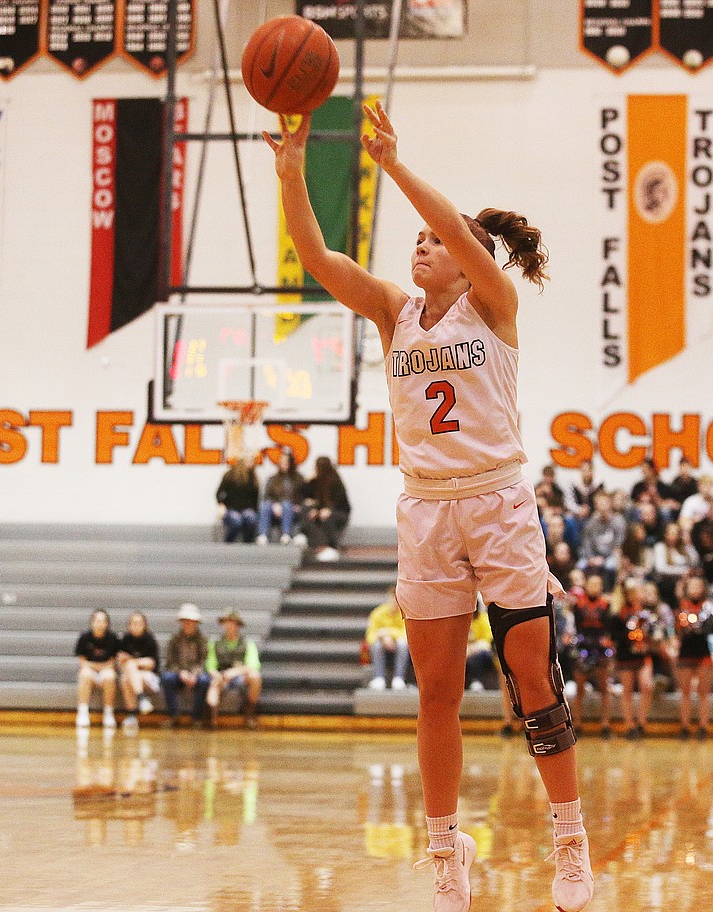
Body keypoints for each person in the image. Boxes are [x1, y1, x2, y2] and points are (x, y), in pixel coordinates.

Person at [265, 101, 593, 910]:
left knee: (530, 676)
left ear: (469, 258)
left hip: (498, 503)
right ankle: (447, 855)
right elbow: (314, 256)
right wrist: (291, 170)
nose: (419, 244)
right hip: (427, 511)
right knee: (435, 690)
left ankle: (571, 841)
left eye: (434, 240)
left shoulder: (493, 304)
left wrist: (396, 167)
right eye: (414, 239)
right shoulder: (391, 311)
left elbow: (450, 223)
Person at [605, 578, 657, 739]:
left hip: (643, 655)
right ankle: (630, 725)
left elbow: (653, 631)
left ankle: (641, 722)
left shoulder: (644, 611)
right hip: (625, 656)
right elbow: (614, 636)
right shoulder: (616, 614)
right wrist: (629, 637)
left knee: (647, 686)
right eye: (634, 591)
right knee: (627, 690)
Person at [671, 574, 713, 739]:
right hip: (685, 652)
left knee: (703, 692)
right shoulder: (681, 607)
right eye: (691, 586)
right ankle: (684, 727)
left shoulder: (709, 607)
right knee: (685, 692)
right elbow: (677, 630)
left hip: (703, 651)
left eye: (698, 586)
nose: (695, 590)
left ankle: (703, 727)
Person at [570, 574, 614, 737]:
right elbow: (576, 626)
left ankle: (605, 723)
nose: (594, 587)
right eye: (591, 584)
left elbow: (608, 627)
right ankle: (577, 722)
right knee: (579, 686)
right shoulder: (578, 605)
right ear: (586, 586)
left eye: (598, 584)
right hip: (583, 645)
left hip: (600, 646)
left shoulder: (606, 605)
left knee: (604, 686)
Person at [204, 610, 262, 728]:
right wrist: (217, 676)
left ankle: (250, 713)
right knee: (212, 689)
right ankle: (212, 719)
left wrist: (234, 672)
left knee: (255, 677)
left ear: (238, 625)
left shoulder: (248, 643)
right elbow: (210, 665)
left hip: (240, 677)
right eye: (227, 622)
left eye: (232, 622)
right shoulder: (214, 643)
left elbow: (253, 666)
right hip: (221, 676)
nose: (229, 625)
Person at [161, 602, 212, 728]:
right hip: (179, 673)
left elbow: (204, 660)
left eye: (190, 621)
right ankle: (174, 715)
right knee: (166, 678)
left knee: (205, 681)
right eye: (185, 621)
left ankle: (196, 717)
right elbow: (170, 660)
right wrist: (180, 672)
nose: (188, 624)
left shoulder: (203, 640)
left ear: (196, 623)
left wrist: (194, 674)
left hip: (197, 674)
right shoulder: (174, 639)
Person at [74, 609, 121, 729]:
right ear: (92, 622)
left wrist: (95, 665)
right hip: (91, 672)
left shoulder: (113, 638)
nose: (100, 623)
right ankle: (83, 713)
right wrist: (97, 666)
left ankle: (108, 714)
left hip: (105, 672)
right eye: (97, 620)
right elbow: (82, 662)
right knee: (84, 674)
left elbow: (113, 663)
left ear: (107, 624)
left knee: (110, 676)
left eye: (103, 621)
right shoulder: (84, 637)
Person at [299, 455, 352, 561]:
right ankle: (320, 545)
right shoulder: (316, 481)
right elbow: (302, 494)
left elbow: (341, 503)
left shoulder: (335, 481)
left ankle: (330, 546)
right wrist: (307, 480)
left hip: (339, 512)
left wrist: (328, 509)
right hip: (323, 511)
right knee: (307, 511)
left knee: (327, 517)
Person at [117, 612, 160, 734]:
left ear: (144, 625)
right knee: (126, 678)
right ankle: (132, 714)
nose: (136, 626)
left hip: (149, 678)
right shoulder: (125, 640)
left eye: (139, 623)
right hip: (132, 678)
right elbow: (121, 663)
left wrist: (133, 661)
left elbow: (151, 663)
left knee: (130, 667)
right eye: (133, 623)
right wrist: (132, 663)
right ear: (129, 625)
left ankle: (141, 699)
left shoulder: (149, 639)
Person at [365, 588, 410, 690]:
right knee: (376, 645)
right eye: (393, 598)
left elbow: (406, 633)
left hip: (398, 644)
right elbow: (370, 635)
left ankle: (399, 678)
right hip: (382, 644)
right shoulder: (378, 613)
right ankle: (378, 677)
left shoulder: (405, 613)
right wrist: (383, 637)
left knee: (402, 644)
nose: (394, 601)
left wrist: (388, 633)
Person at [579, 489, 625, 589]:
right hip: (594, 556)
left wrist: (604, 559)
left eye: (605, 503)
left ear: (610, 504)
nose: (603, 506)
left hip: (610, 555)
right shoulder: (591, 523)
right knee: (580, 565)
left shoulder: (618, 521)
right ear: (596, 505)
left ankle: (608, 592)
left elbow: (618, 545)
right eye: (600, 503)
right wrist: (591, 558)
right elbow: (586, 543)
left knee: (610, 565)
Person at [257, 448, 303, 544]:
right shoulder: (273, 479)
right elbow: (267, 496)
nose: (284, 464)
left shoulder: (298, 479)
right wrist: (275, 505)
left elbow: (302, 495)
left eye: (286, 462)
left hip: (292, 507)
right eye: (282, 461)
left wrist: (296, 504)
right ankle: (263, 535)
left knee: (286, 505)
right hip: (275, 507)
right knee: (264, 506)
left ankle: (286, 534)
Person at [652, 521, 698, 608]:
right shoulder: (660, 547)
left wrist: (689, 544)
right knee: (679, 586)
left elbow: (695, 562)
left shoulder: (685, 548)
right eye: (671, 533)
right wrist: (682, 572)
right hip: (666, 582)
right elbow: (661, 568)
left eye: (676, 533)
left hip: (685, 580)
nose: (673, 535)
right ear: (665, 534)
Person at [216, 457, 260, 544]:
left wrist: (254, 511)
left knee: (251, 519)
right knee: (236, 521)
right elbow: (219, 493)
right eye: (249, 461)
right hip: (231, 508)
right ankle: (228, 542)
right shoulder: (230, 475)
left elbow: (255, 499)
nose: (251, 464)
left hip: (246, 509)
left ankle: (247, 543)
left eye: (252, 462)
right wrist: (221, 505)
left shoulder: (253, 478)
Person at [465, 603, 496, 691]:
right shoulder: (458, 622)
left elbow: (487, 642)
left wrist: (472, 649)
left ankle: (476, 682)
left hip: (480, 654)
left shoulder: (483, 619)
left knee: (480, 656)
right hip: (463, 654)